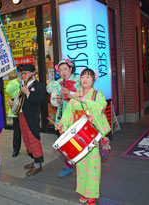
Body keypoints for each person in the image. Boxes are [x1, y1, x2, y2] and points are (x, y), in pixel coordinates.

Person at [56, 68, 111, 204]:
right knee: (80, 165)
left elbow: (101, 107)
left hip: (90, 134)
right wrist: (61, 124)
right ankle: (84, 192)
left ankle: (91, 195)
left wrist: (85, 100)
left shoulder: (97, 95)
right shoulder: (76, 95)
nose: (85, 79)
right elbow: (69, 112)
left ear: (93, 80)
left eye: (88, 77)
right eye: (82, 77)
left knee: (93, 165)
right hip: (77, 135)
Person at [46, 59, 79, 178]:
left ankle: (81, 164)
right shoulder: (57, 83)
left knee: (78, 141)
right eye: (60, 70)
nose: (63, 72)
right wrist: (57, 100)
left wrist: (70, 93)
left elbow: (84, 96)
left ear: (70, 69)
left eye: (65, 69)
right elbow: (54, 101)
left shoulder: (79, 81)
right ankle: (69, 165)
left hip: (77, 115)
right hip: (63, 116)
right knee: (65, 142)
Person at [19, 64, 46, 177]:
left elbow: (40, 100)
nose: (23, 75)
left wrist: (28, 93)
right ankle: (34, 160)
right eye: (22, 73)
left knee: (33, 138)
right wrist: (13, 102)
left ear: (33, 73)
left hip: (32, 117)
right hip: (22, 115)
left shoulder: (38, 85)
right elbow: (20, 99)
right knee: (26, 139)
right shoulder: (23, 85)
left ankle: (37, 165)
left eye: (25, 73)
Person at [6, 65, 23, 157]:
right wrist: (17, 82)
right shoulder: (13, 82)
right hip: (16, 111)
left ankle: (31, 150)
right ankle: (16, 149)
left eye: (23, 72)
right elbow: (9, 90)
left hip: (26, 111)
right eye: (20, 72)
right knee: (17, 132)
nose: (21, 74)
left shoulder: (28, 82)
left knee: (28, 132)